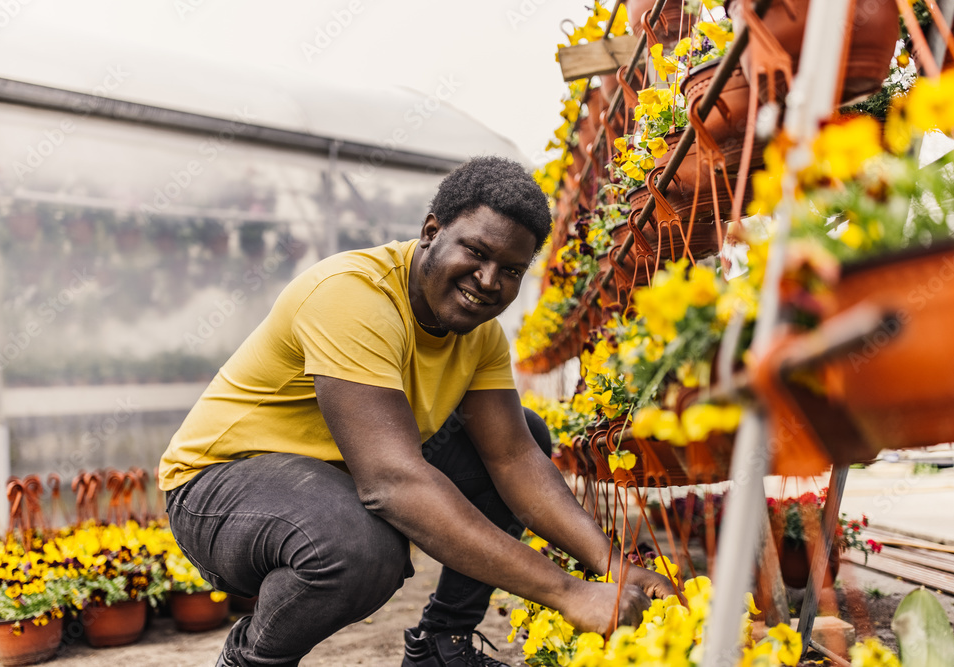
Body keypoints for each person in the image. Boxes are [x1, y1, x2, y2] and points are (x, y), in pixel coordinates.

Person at [158, 156, 673, 667]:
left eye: (511, 270)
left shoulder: (481, 336)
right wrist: (567, 592)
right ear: (431, 231)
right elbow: (391, 483)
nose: (490, 280)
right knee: (362, 549)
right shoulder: (352, 295)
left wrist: (616, 567)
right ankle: (250, 660)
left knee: (527, 437)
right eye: (475, 251)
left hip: (331, 478)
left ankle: (440, 646)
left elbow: (514, 461)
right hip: (219, 486)